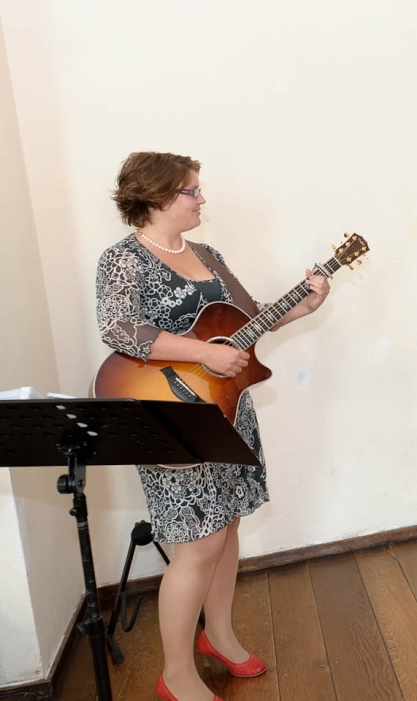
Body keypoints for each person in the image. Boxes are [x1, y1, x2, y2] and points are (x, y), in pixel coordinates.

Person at [95, 152, 330, 701]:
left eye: (198, 190)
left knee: (226, 531)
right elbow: (119, 327)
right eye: (191, 191)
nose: (201, 199)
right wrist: (201, 350)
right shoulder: (123, 259)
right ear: (155, 199)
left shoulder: (209, 254)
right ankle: (175, 673)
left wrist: (306, 305)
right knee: (197, 543)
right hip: (169, 413)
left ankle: (218, 637)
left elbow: (248, 322)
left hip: (226, 407)